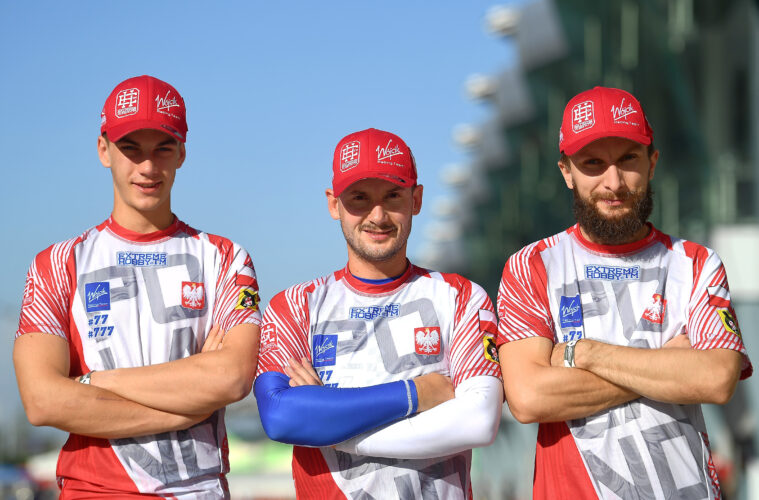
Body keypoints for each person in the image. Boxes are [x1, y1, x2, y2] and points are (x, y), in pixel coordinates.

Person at [497, 86, 752, 499]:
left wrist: (587, 353)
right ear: (566, 171)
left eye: (628, 159)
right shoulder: (533, 266)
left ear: (652, 163)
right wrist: (668, 367)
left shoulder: (696, 262)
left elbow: (718, 378)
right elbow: (528, 398)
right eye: (593, 164)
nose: (613, 182)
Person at [14, 75, 262, 499]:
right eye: (131, 148)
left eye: (162, 148)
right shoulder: (56, 263)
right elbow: (42, 401)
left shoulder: (226, 258)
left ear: (182, 152)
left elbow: (233, 377)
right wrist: (186, 408)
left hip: (198, 489)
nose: (148, 167)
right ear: (103, 150)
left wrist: (91, 383)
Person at [254, 128, 503, 498]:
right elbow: (281, 416)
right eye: (359, 198)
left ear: (416, 199)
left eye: (393, 196)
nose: (378, 215)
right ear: (333, 203)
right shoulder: (294, 306)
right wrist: (418, 393)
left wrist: (330, 425)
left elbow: (478, 422)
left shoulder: (462, 297)